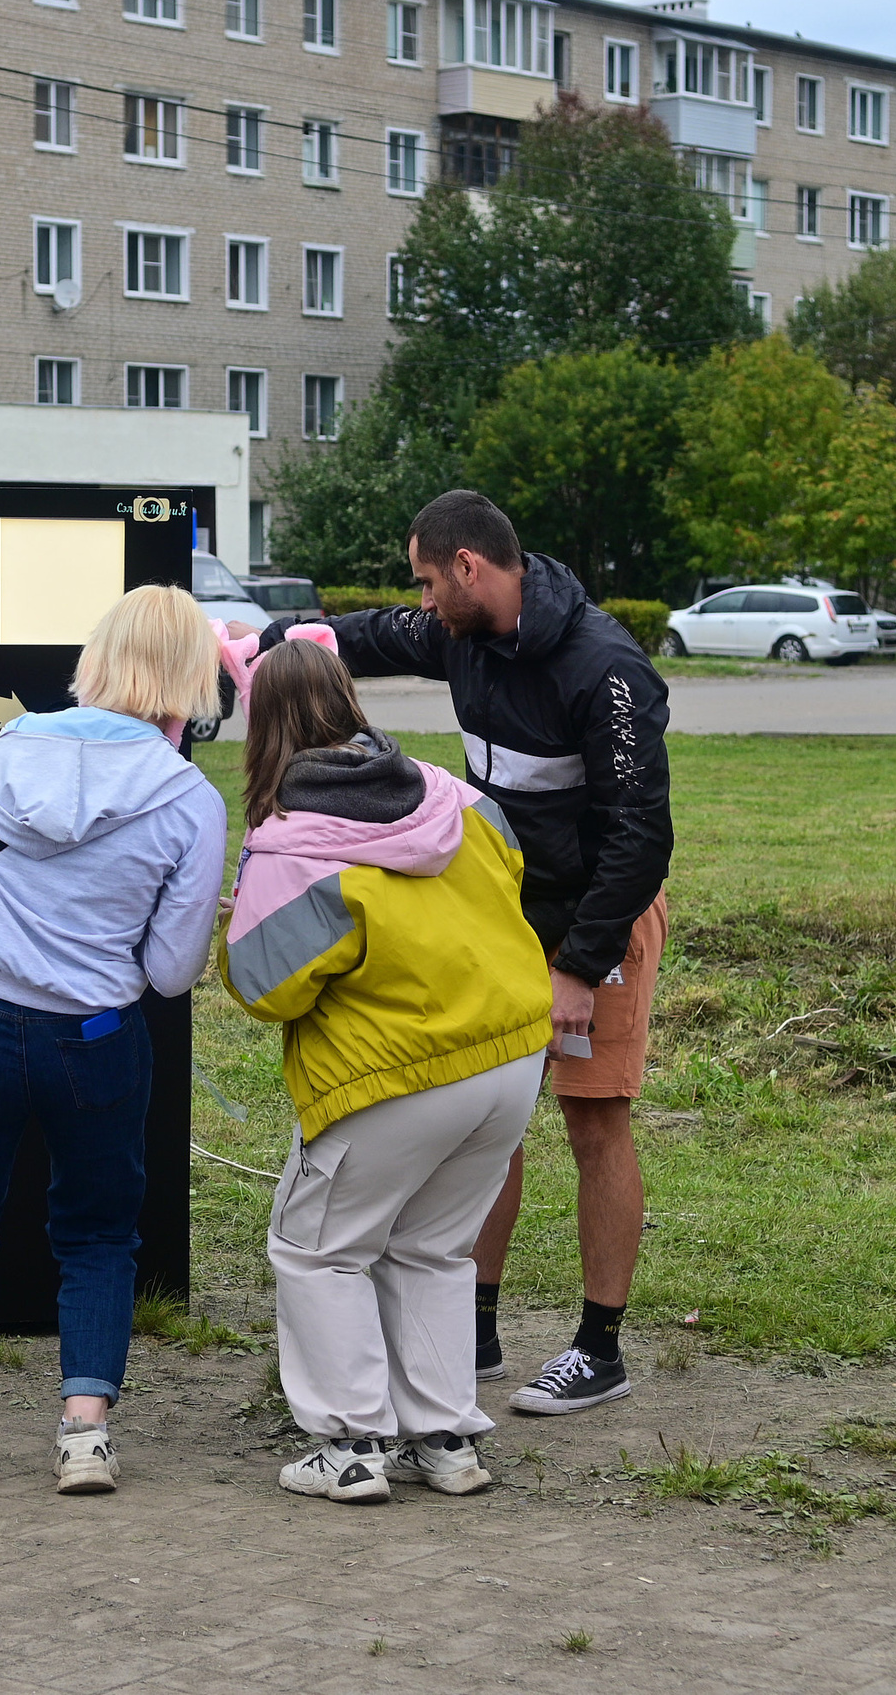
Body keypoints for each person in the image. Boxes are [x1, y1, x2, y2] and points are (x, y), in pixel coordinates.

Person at [259, 489, 672, 1417]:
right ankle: (474, 1330)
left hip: (598, 922)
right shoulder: (460, 632)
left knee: (594, 1121)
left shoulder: (603, 666)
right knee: (495, 1120)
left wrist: (579, 962)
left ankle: (598, 1347)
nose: (420, 598)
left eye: (425, 578)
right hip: (507, 923)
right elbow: (363, 637)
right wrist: (265, 639)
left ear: (469, 568)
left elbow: (642, 836)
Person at [0, 584, 227, 1501]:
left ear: (98, 656)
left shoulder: (10, 747)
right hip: (95, 1032)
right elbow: (171, 970)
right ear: (189, 676)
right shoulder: (189, 798)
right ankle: (85, 1436)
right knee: (96, 1232)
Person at [220, 639, 552, 1503]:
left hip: (390, 1078)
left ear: (261, 727)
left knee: (316, 1249)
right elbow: (514, 875)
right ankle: (443, 1438)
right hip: (508, 1053)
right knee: (435, 1248)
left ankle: (350, 1443)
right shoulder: (458, 795)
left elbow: (269, 988)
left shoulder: (291, 841)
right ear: (348, 696)